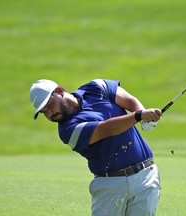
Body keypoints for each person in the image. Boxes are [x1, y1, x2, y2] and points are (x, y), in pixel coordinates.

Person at [29, 79, 162, 216]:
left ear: (60, 91)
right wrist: (138, 116)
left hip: (145, 177)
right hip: (110, 185)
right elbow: (106, 129)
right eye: (44, 112)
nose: (50, 114)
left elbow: (129, 100)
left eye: (50, 105)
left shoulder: (97, 87)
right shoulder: (67, 131)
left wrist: (144, 115)